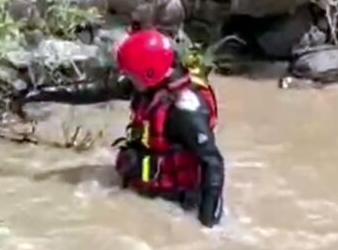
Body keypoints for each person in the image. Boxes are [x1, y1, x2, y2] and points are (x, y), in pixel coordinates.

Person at [17, 28, 225, 228]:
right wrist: (40, 94)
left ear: (149, 72)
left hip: (178, 203)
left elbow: (213, 163)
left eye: (131, 74)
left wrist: (206, 226)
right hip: (147, 189)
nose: (127, 78)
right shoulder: (148, 85)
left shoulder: (185, 110)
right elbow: (95, 92)